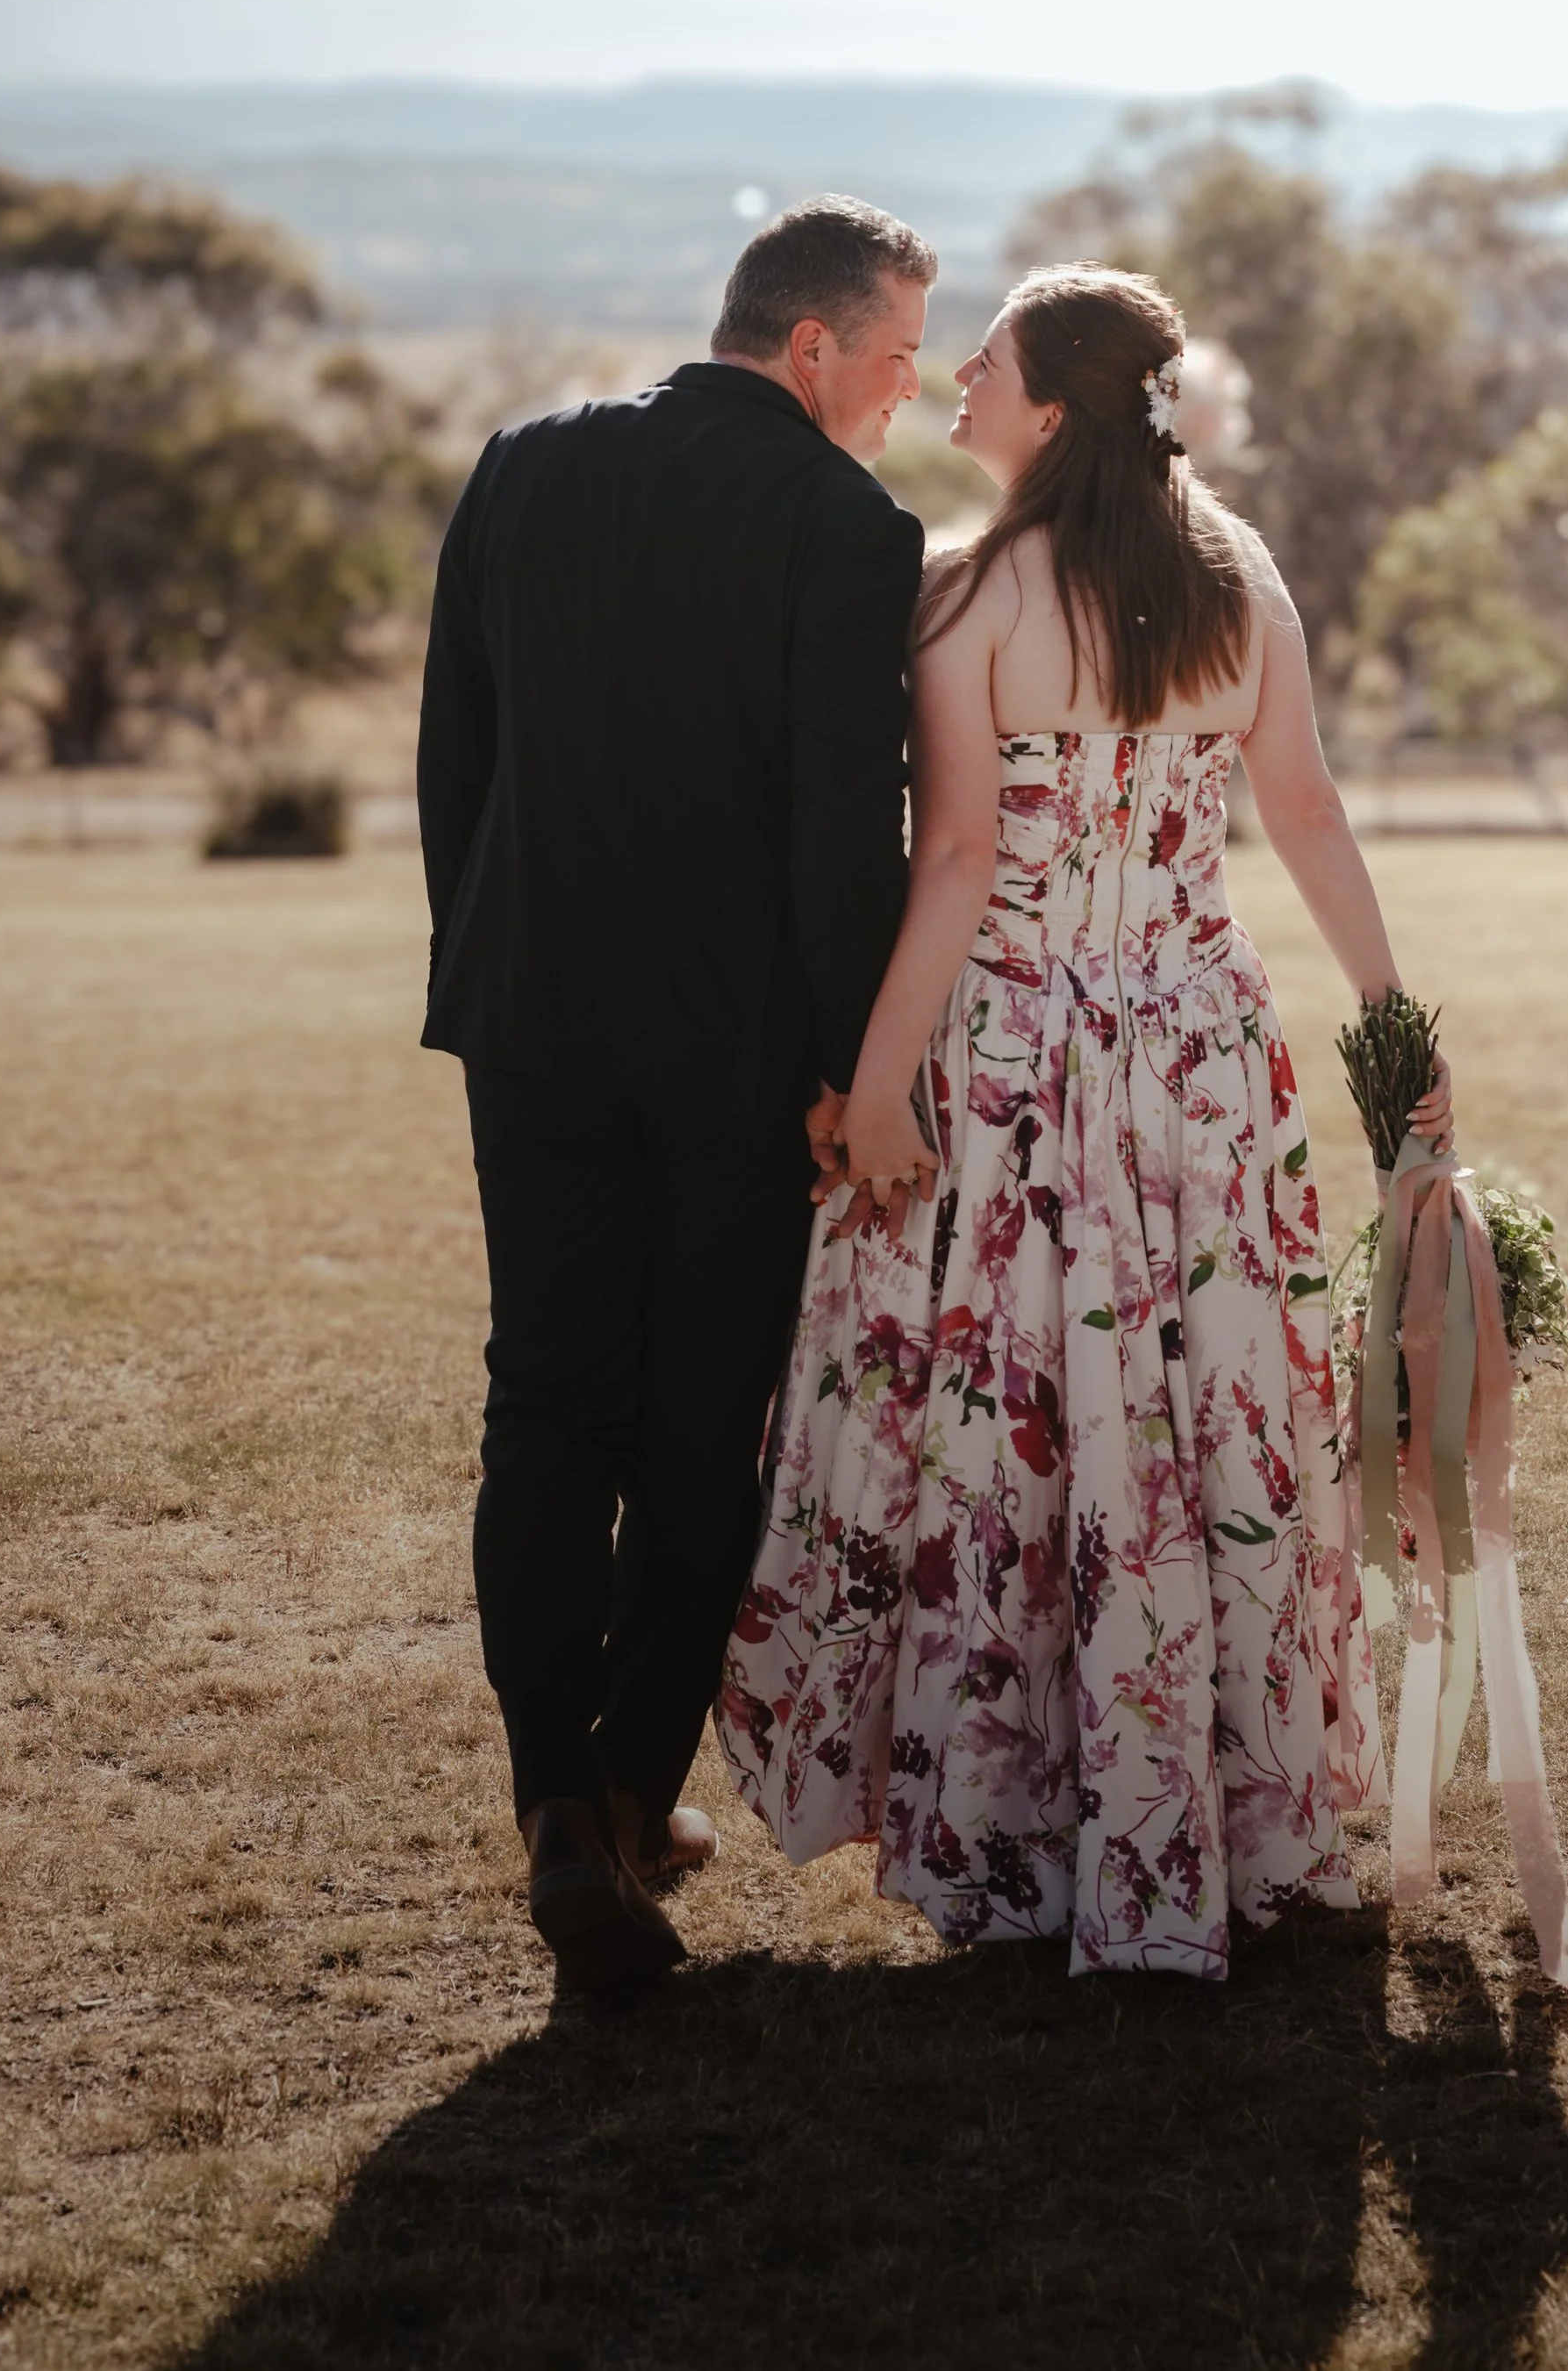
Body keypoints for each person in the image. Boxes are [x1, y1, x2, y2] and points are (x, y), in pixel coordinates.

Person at [719, 264, 1452, 1979]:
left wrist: (885, 1078)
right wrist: (1392, 1025)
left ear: (1049, 410)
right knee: (1195, 1417)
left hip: (1024, 1067)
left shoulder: (976, 597)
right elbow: (1307, 812)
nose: (954, 378)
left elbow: (960, 866)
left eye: (983, 360)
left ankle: (1030, 1826)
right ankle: (1216, 1803)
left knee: (1020, 1419)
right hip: (1198, 1056)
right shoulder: (1235, 578)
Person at [418, 196, 936, 1990]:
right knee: (704, 1425)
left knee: (543, 1402)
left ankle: (555, 1801)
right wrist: (838, 1062)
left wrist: (485, 973)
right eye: (890, 358)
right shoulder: (843, 522)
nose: (901, 392)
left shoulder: (522, 461)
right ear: (809, 349)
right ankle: (637, 1794)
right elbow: (835, 836)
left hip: (531, 1022)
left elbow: (455, 761)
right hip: (733, 1057)